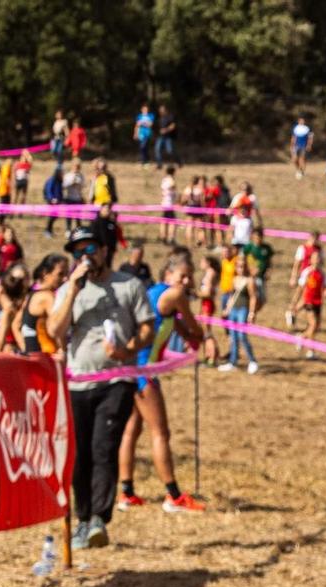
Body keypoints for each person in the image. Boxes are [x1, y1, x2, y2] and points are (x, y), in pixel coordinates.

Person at [46, 222, 153, 549]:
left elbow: (147, 327)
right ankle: (82, 519)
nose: (85, 256)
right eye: (79, 251)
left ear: (105, 249)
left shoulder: (128, 285)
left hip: (115, 379)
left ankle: (98, 520)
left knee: (103, 447)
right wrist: (74, 290)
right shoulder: (69, 290)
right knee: (79, 456)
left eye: (91, 248)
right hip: (77, 382)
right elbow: (54, 331)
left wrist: (129, 350)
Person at [118, 248, 206, 513]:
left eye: (190, 277)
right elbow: (196, 331)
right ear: (168, 274)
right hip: (144, 373)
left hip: (134, 370)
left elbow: (182, 330)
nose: (187, 282)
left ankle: (127, 493)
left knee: (132, 429)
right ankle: (173, 496)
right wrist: (199, 336)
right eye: (184, 275)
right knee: (161, 432)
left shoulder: (158, 296)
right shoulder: (174, 294)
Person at [218, 245, 261, 374]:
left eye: (242, 266)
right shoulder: (235, 279)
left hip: (243, 310)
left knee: (242, 336)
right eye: (238, 266)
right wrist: (227, 309)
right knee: (233, 336)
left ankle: (252, 361)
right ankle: (233, 361)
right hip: (233, 310)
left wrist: (252, 313)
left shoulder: (249, 281)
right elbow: (232, 296)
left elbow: (253, 297)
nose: (240, 268)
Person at [135, 104, 155, 168]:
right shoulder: (139, 116)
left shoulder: (151, 116)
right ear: (141, 110)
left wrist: (142, 123)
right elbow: (137, 125)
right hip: (140, 134)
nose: (145, 110)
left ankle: (144, 161)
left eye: (146, 109)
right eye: (144, 109)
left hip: (147, 134)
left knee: (143, 147)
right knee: (143, 148)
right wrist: (135, 133)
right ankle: (145, 161)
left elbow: (150, 124)